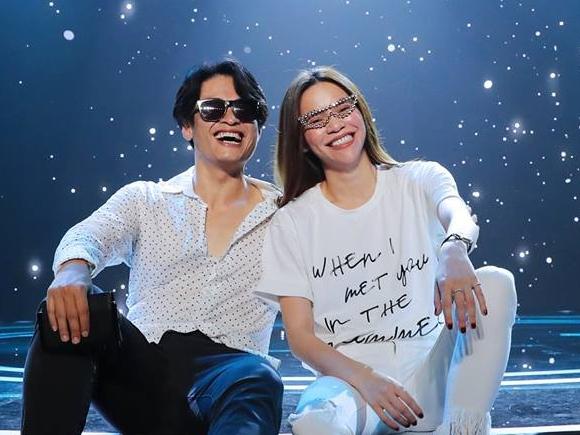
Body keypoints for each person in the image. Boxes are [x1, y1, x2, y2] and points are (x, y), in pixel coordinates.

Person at [21, 59, 283, 435]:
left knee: (259, 378)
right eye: (213, 109)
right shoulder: (146, 199)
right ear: (187, 126)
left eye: (243, 109)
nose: (230, 118)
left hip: (234, 379)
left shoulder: (286, 214)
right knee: (72, 311)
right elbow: (88, 235)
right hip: (145, 374)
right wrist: (72, 272)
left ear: (257, 125)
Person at [255, 66, 517, 435]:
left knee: (496, 283)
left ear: (361, 111)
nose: (335, 124)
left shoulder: (419, 178)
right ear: (300, 138)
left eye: (343, 109)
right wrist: (367, 379)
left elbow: (457, 213)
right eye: (316, 119)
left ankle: (462, 429)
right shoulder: (292, 221)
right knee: (314, 423)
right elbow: (300, 338)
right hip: (350, 385)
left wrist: (454, 249)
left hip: (430, 377)